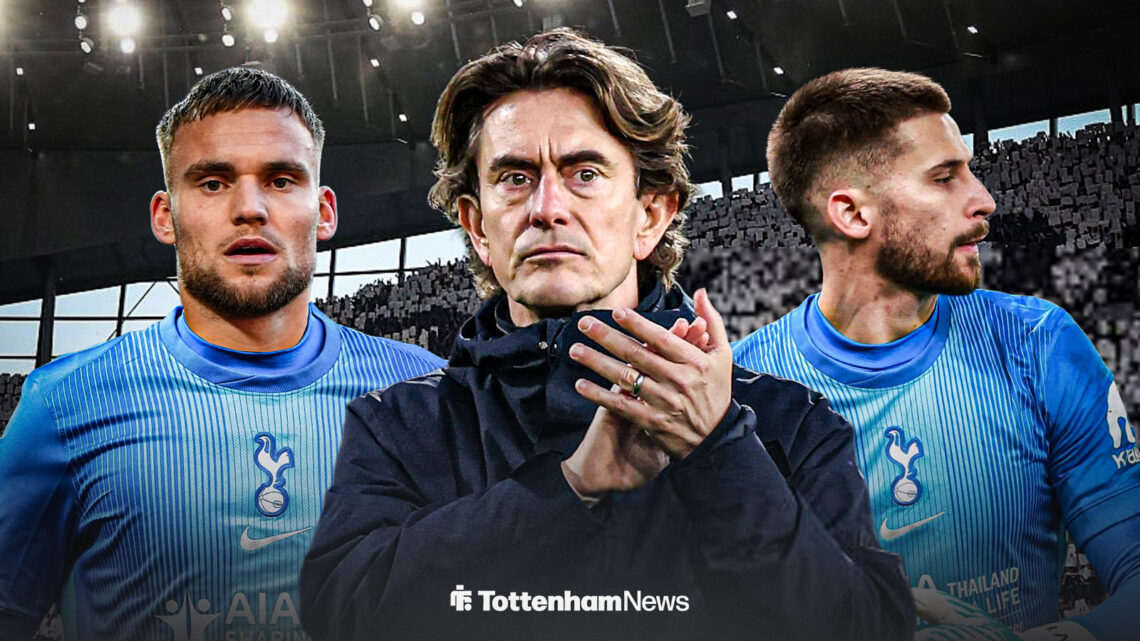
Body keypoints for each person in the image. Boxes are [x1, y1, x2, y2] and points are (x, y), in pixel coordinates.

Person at [300, 29, 913, 641]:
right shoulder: (398, 427)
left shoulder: (788, 422)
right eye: (514, 178)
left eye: (584, 172)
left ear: (650, 215)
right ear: (477, 226)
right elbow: (345, 621)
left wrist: (718, 448)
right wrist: (568, 488)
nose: (546, 207)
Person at [0, 67, 444, 641]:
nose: (250, 208)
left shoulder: (426, 394)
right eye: (212, 182)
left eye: (282, 180)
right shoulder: (63, 405)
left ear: (325, 210)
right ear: (166, 215)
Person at [732, 68, 1140, 640]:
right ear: (851, 214)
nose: (984, 200)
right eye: (945, 177)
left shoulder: (1039, 343)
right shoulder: (740, 394)